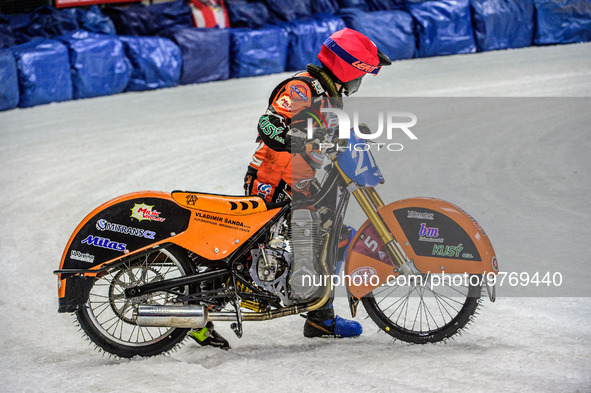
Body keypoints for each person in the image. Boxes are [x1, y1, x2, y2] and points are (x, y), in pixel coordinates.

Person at [191, 28, 391, 350]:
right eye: (360, 76)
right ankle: (195, 311)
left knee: (328, 237)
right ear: (347, 68)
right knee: (248, 254)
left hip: (299, 182)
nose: (358, 85)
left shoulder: (328, 95)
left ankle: (319, 318)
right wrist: (292, 139)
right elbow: (268, 124)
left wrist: (353, 133)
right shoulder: (301, 88)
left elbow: (324, 131)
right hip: (271, 181)